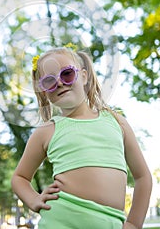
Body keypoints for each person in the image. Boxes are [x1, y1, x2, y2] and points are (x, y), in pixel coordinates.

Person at [11, 46, 152, 228]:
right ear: (44, 91)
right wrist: (33, 200)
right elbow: (19, 177)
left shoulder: (116, 121)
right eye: (49, 81)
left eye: (67, 74)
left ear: (84, 76)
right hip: (60, 221)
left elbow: (143, 177)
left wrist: (133, 223)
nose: (60, 83)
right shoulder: (46, 131)